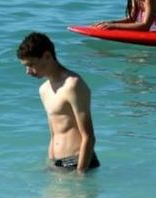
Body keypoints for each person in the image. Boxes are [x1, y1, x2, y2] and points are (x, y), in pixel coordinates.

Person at [17, 32, 99, 173]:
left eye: (31, 65)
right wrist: (51, 164)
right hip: (58, 163)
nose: (28, 72)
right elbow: (54, 132)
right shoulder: (44, 89)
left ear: (47, 56)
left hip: (77, 161)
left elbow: (89, 136)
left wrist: (81, 174)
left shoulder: (73, 85)